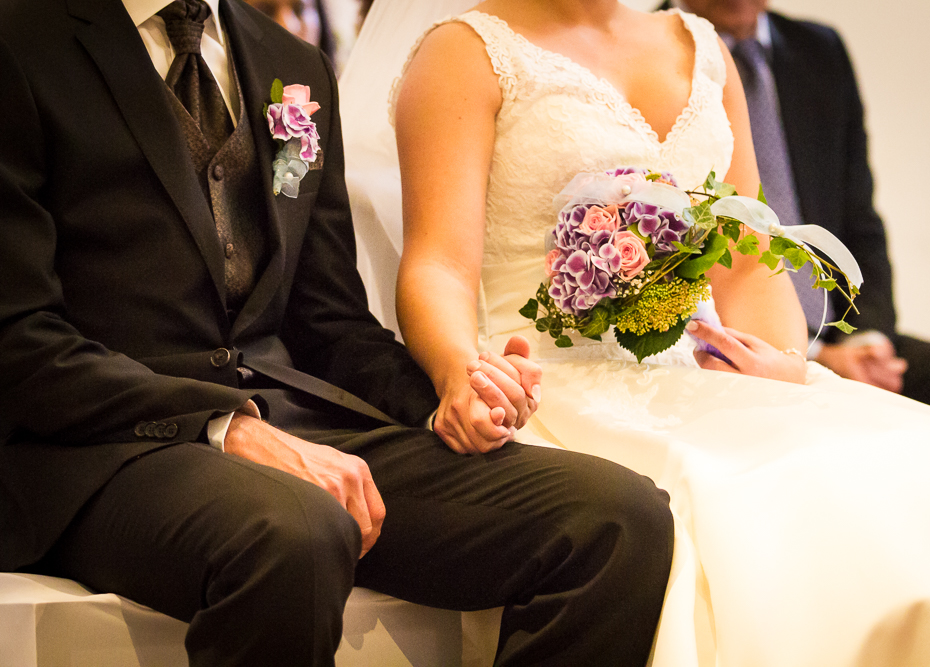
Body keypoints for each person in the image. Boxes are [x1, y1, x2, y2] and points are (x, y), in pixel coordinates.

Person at [0, 0, 678, 665]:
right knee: (296, 529)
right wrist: (224, 424)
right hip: (100, 451)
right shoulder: (20, 41)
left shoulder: (289, 64)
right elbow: (19, 339)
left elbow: (330, 321)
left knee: (616, 519)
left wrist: (449, 391)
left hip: (295, 423)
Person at [340, 0, 930, 665]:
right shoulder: (466, 51)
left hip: (705, 369)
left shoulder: (701, 46)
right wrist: (462, 368)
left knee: (916, 463)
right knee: (764, 495)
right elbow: (440, 264)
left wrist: (784, 361)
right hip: (554, 380)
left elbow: (749, 256)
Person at [667, 0, 930, 432]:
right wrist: (814, 356)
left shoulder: (818, 50)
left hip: (846, 330)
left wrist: (869, 338)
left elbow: (859, 218)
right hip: (732, 350)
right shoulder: (655, 51)